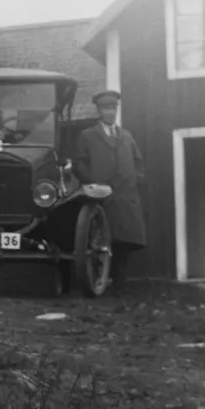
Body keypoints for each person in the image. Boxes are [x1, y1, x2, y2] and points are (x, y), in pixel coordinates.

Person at [72, 90, 147, 284]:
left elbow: (138, 163)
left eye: (113, 108)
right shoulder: (87, 136)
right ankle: (99, 279)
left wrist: (134, 179)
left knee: (125, 239)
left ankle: (120, 280)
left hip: (125, 196)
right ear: (99, 111)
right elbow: (78, 163)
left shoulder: (126, 136)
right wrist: (92, 183)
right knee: (101, 239)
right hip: (101, 197)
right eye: (106, 108)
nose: (110, 113)